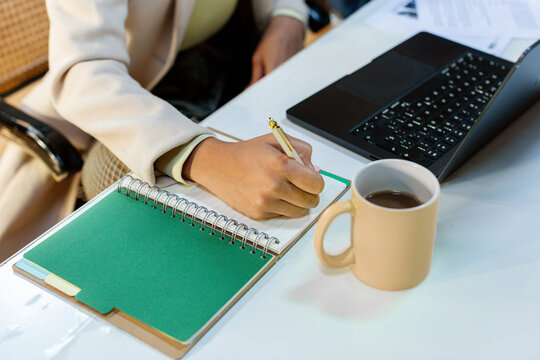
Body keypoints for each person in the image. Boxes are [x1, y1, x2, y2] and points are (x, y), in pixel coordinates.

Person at [0, 0, 324, 260]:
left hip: (233, 63)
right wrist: (203, 156)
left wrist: (286, 15)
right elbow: (84, 70)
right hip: (125, 98)